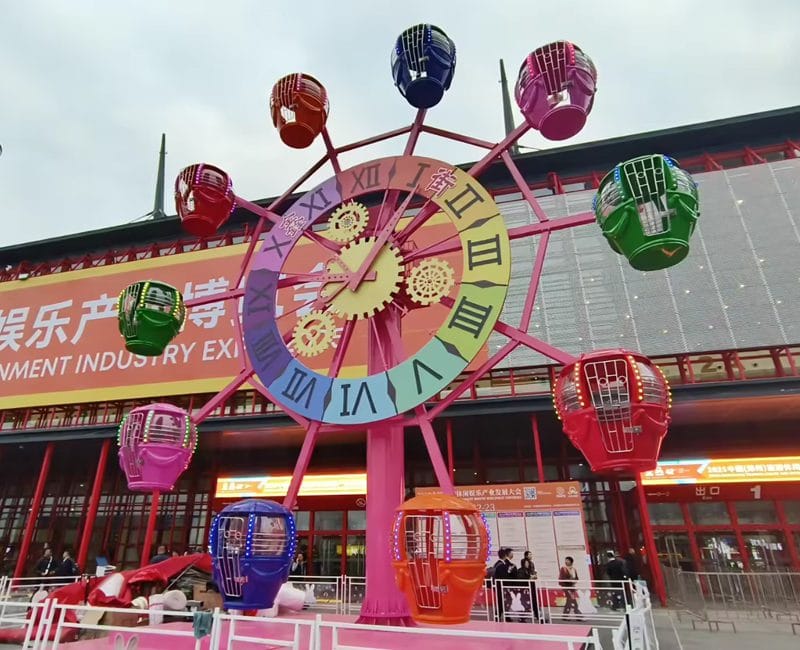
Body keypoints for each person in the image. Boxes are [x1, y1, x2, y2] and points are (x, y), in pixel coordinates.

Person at [517, 550, 539, 622]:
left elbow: (533, 574)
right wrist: (529, 578)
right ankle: (522, 617)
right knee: (524, 602)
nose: (528, 564)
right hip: (524, 588)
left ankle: (537, 615)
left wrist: (534, 576)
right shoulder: (520, 571)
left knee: (534, 601)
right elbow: (521, 578)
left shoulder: (531, 567)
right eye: (529, 555)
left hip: (531, 586)